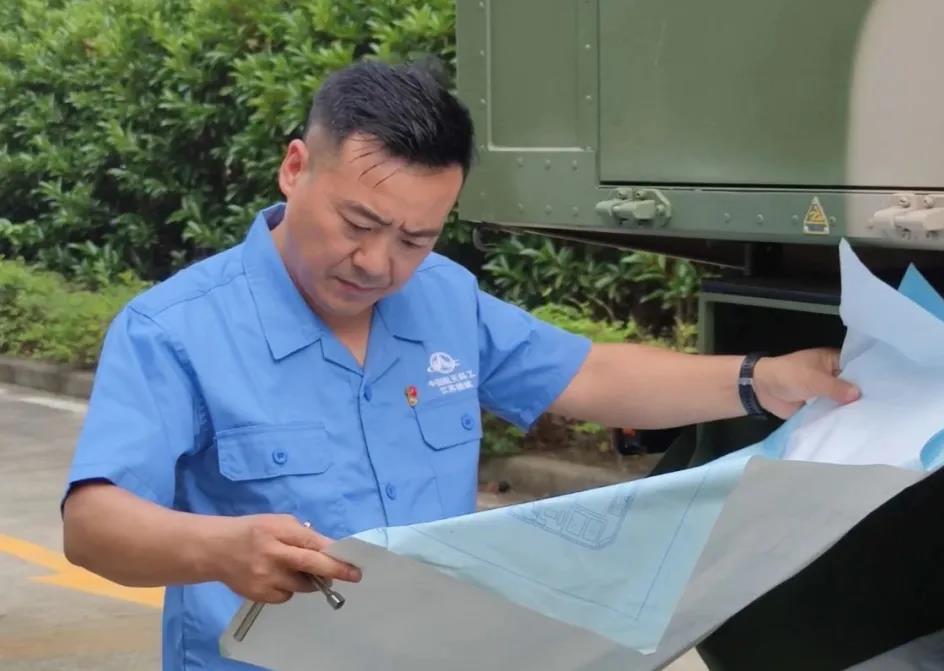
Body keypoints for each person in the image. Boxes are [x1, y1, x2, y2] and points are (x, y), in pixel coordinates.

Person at [61, 60, 860, 670]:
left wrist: (763, 378)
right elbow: (93, 523)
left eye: (416, 237)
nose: (379, 263)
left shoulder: (443, 297)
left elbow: (588, 375)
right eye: (358, 222)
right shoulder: (175, 330)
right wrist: (221, 548)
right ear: (296, 168)